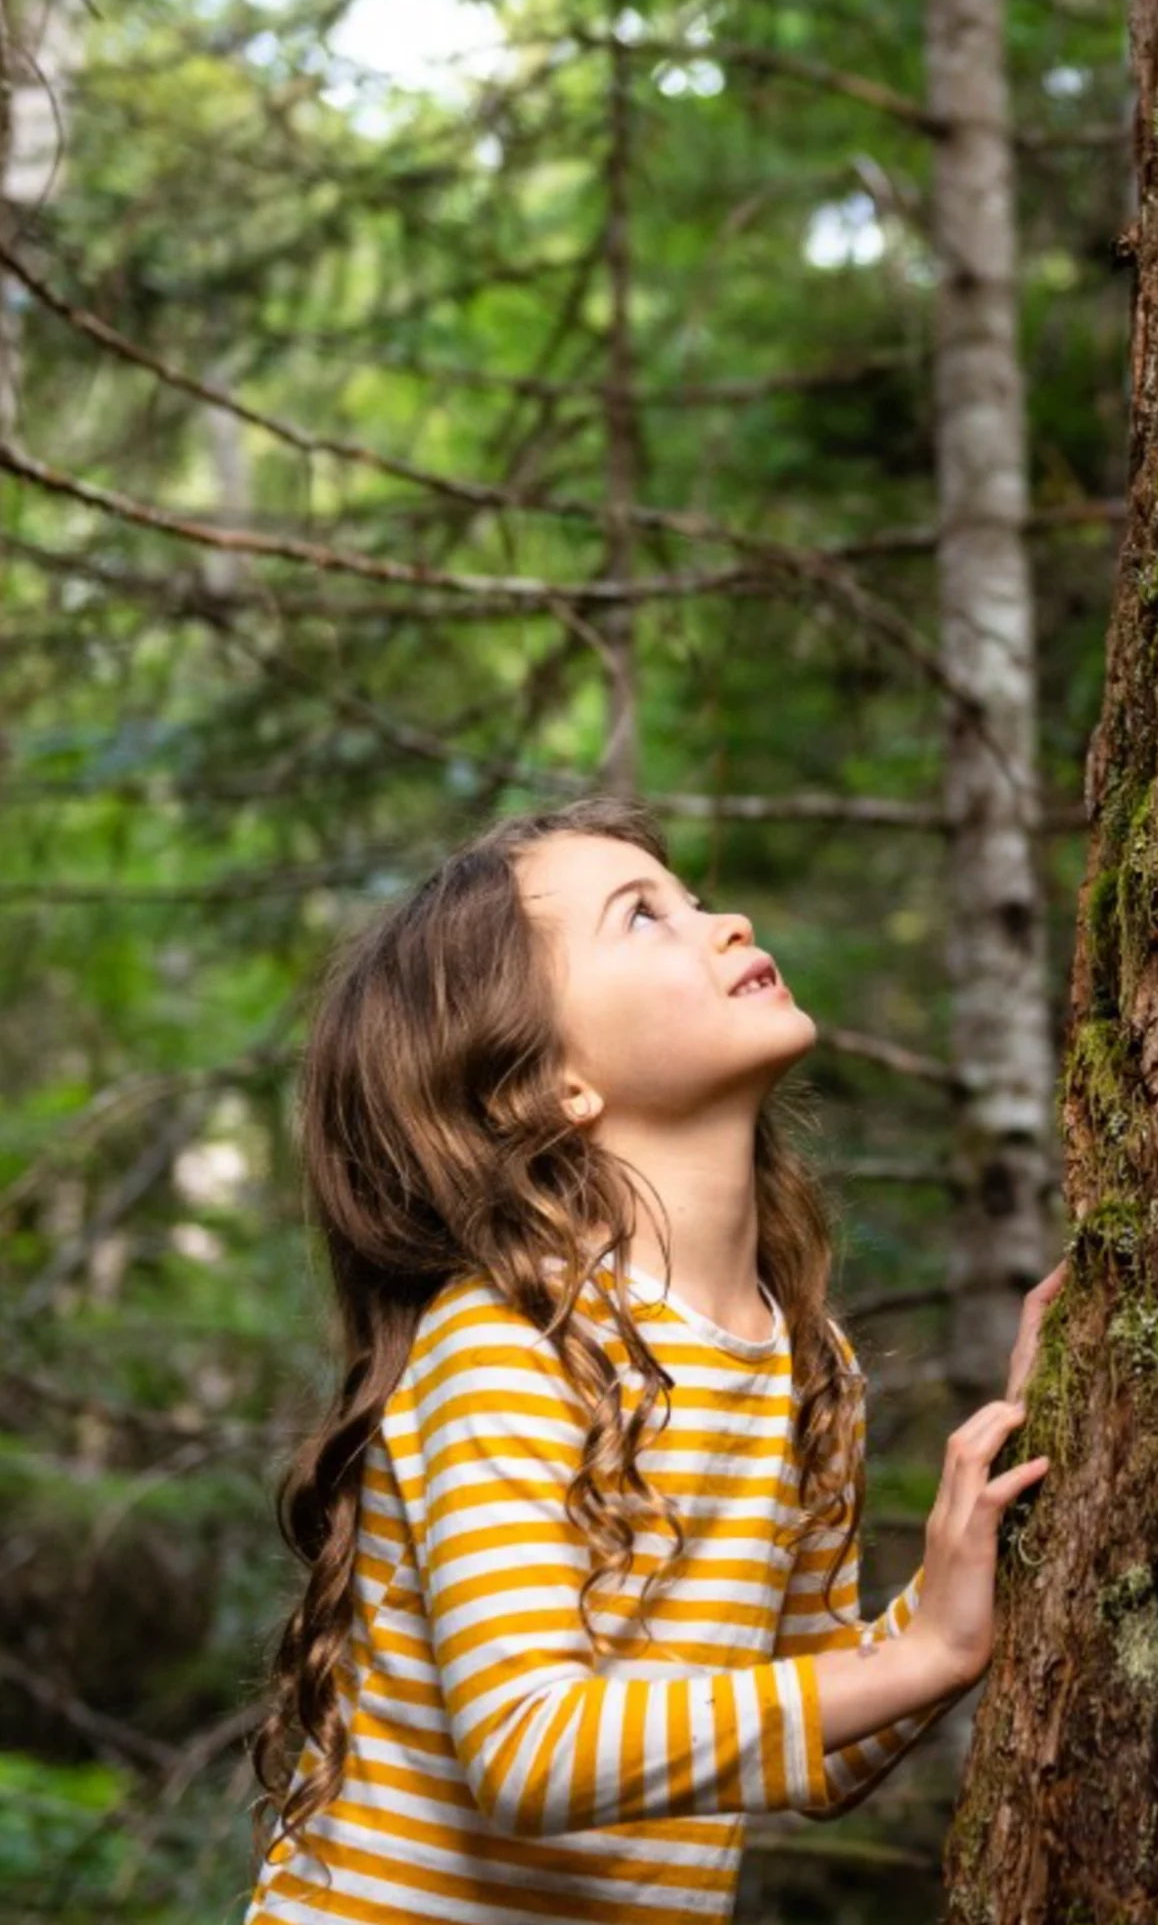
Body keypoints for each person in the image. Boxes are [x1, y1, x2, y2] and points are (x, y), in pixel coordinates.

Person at [241, 793, 1067, 1923]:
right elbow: (530, 1750)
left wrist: (1038, 1458)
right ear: (542, 1086)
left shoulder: (806, 1361)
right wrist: (921, 1653)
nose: (723, 920)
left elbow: (819, 1741)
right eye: (643, 917)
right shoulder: (507, 1342)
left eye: (692, 897)